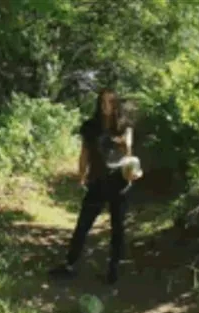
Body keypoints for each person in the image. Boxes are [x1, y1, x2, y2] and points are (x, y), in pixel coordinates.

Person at [48, 88, 140, 285]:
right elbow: (84, 154)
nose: (106, 106)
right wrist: (81, 176)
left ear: (116, 104)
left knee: (118, 227)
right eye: (103, 102)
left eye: (110, 102)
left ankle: (113, 271)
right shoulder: (90, 127)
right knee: (83, 225)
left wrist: (124, 145)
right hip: (97, 181)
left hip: (119, 182)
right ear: (98, 104)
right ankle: (70, 264)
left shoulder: (124, 126)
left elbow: (129, 154)